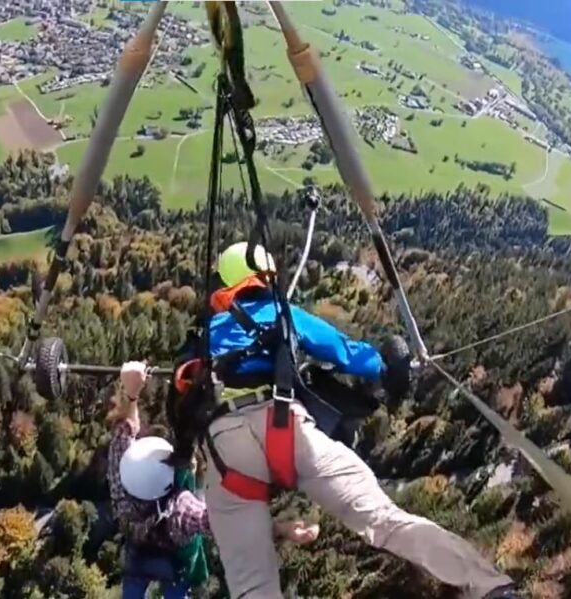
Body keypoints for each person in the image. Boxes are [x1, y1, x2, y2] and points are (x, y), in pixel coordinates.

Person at [169, 242, 519, 599]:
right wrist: (387, 368)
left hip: (227, 452)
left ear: (224, 284)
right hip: (285, 429)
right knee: (383, 519)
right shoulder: (282, 313)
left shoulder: (205, 334)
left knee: (253, 586)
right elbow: (345, 353)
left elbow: (179, 399)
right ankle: (488, 588)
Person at [108, 360, 319, 599]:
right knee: (176, 588)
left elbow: (124, 431)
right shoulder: (181, 512)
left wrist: (131, 393)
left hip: (138, 560)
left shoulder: (121, 484)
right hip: (174, 566)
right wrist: (282, 528)